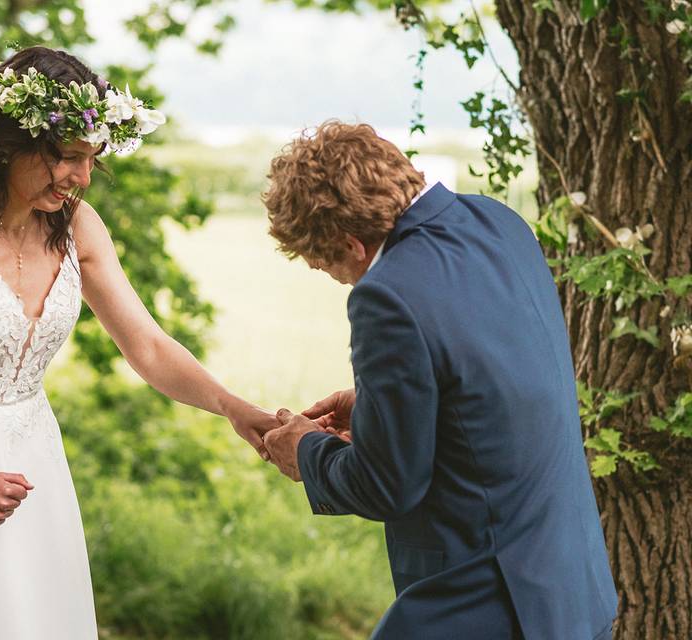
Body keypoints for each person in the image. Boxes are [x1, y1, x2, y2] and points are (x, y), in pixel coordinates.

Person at [0, 46, 277, 639]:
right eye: (67, 157)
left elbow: (145, 344)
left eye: (90, 159)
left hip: (34, 456)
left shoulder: (79, 227)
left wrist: (234, 409)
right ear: (10, 144)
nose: (83, 177)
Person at [260, 121, 618, 639]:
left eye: (319, 260)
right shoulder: (499, 222)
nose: (326, 272)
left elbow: (386, 486)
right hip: (571, 587)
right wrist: (381, 408)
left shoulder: (385, 296)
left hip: (487, 601)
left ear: (350, 244)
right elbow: (498, 374)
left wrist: (307, 452)